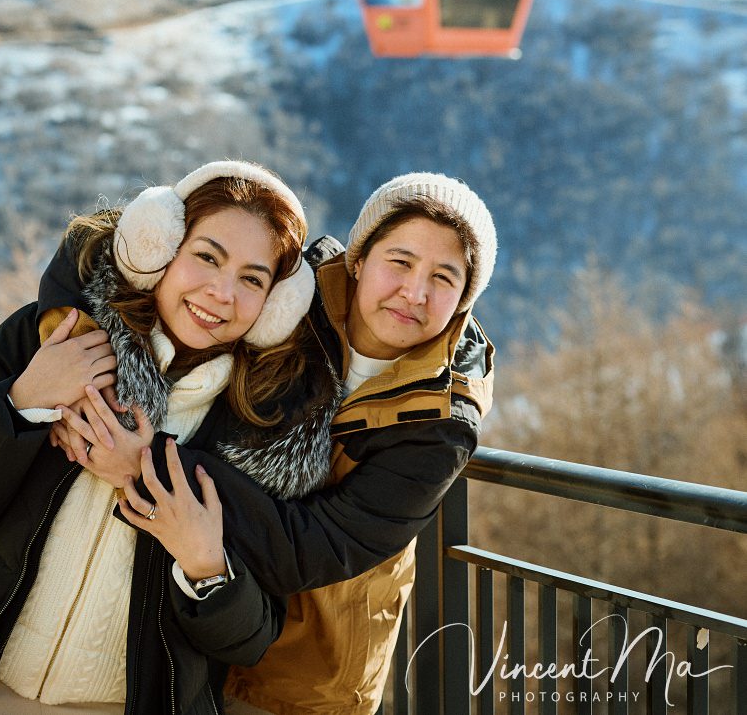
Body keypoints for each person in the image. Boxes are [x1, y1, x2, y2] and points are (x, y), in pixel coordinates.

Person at [0, 161, 318, 715]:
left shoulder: (262, 430)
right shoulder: (45, 338)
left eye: (252, 279)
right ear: (159, 249)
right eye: (207, 257)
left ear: (274, 307)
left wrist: (205, 563)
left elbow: (249, 641)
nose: (221, 293)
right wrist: (23, 400)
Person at [43, 172, 497, 715]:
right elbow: (103, 248)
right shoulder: (295, 297)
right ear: (358, 260)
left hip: (303, 676)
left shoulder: (441, 423)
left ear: (463, 299)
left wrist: (145, 462)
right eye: (400, 262)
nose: (414, 292)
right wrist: (73, 355)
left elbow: (313, 549)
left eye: (443, 278)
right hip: (189, 631)